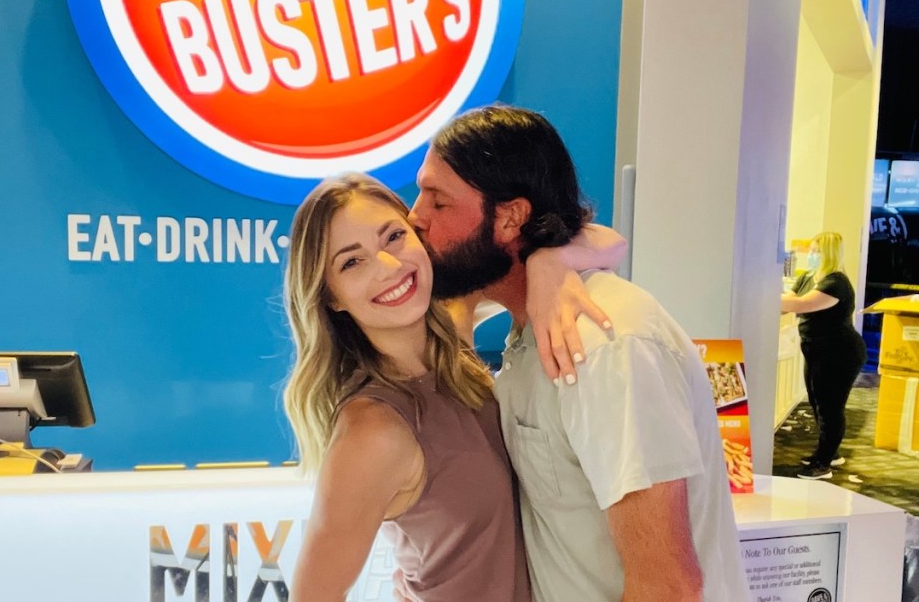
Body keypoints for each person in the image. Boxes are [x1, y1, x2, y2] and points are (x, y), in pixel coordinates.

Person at [408, 104, 750, 602]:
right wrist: (555, 256)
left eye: (438, 203)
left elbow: (667, 586)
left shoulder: (606, 344)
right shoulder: (529, 328)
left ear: (508, 218)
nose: (415, 217)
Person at [283, 173, 625, 602]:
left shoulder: (453, 327)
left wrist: (546, 263)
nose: (388, 267)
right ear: (330, 296)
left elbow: (611, 242)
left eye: (392, 237)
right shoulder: (372, 430)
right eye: (352, 262)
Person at [781, 232, 866, 480]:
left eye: (818, 251)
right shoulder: (809, 277)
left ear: (829, 253)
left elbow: (800, 305)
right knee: (818, 403)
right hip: (817, 351)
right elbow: (790, 300)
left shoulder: (836, 282)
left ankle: (823, 464)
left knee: (830, 408)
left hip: (840, 354)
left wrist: (764, 294)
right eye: (812, 250)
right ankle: (831, 452)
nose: (812, 255)